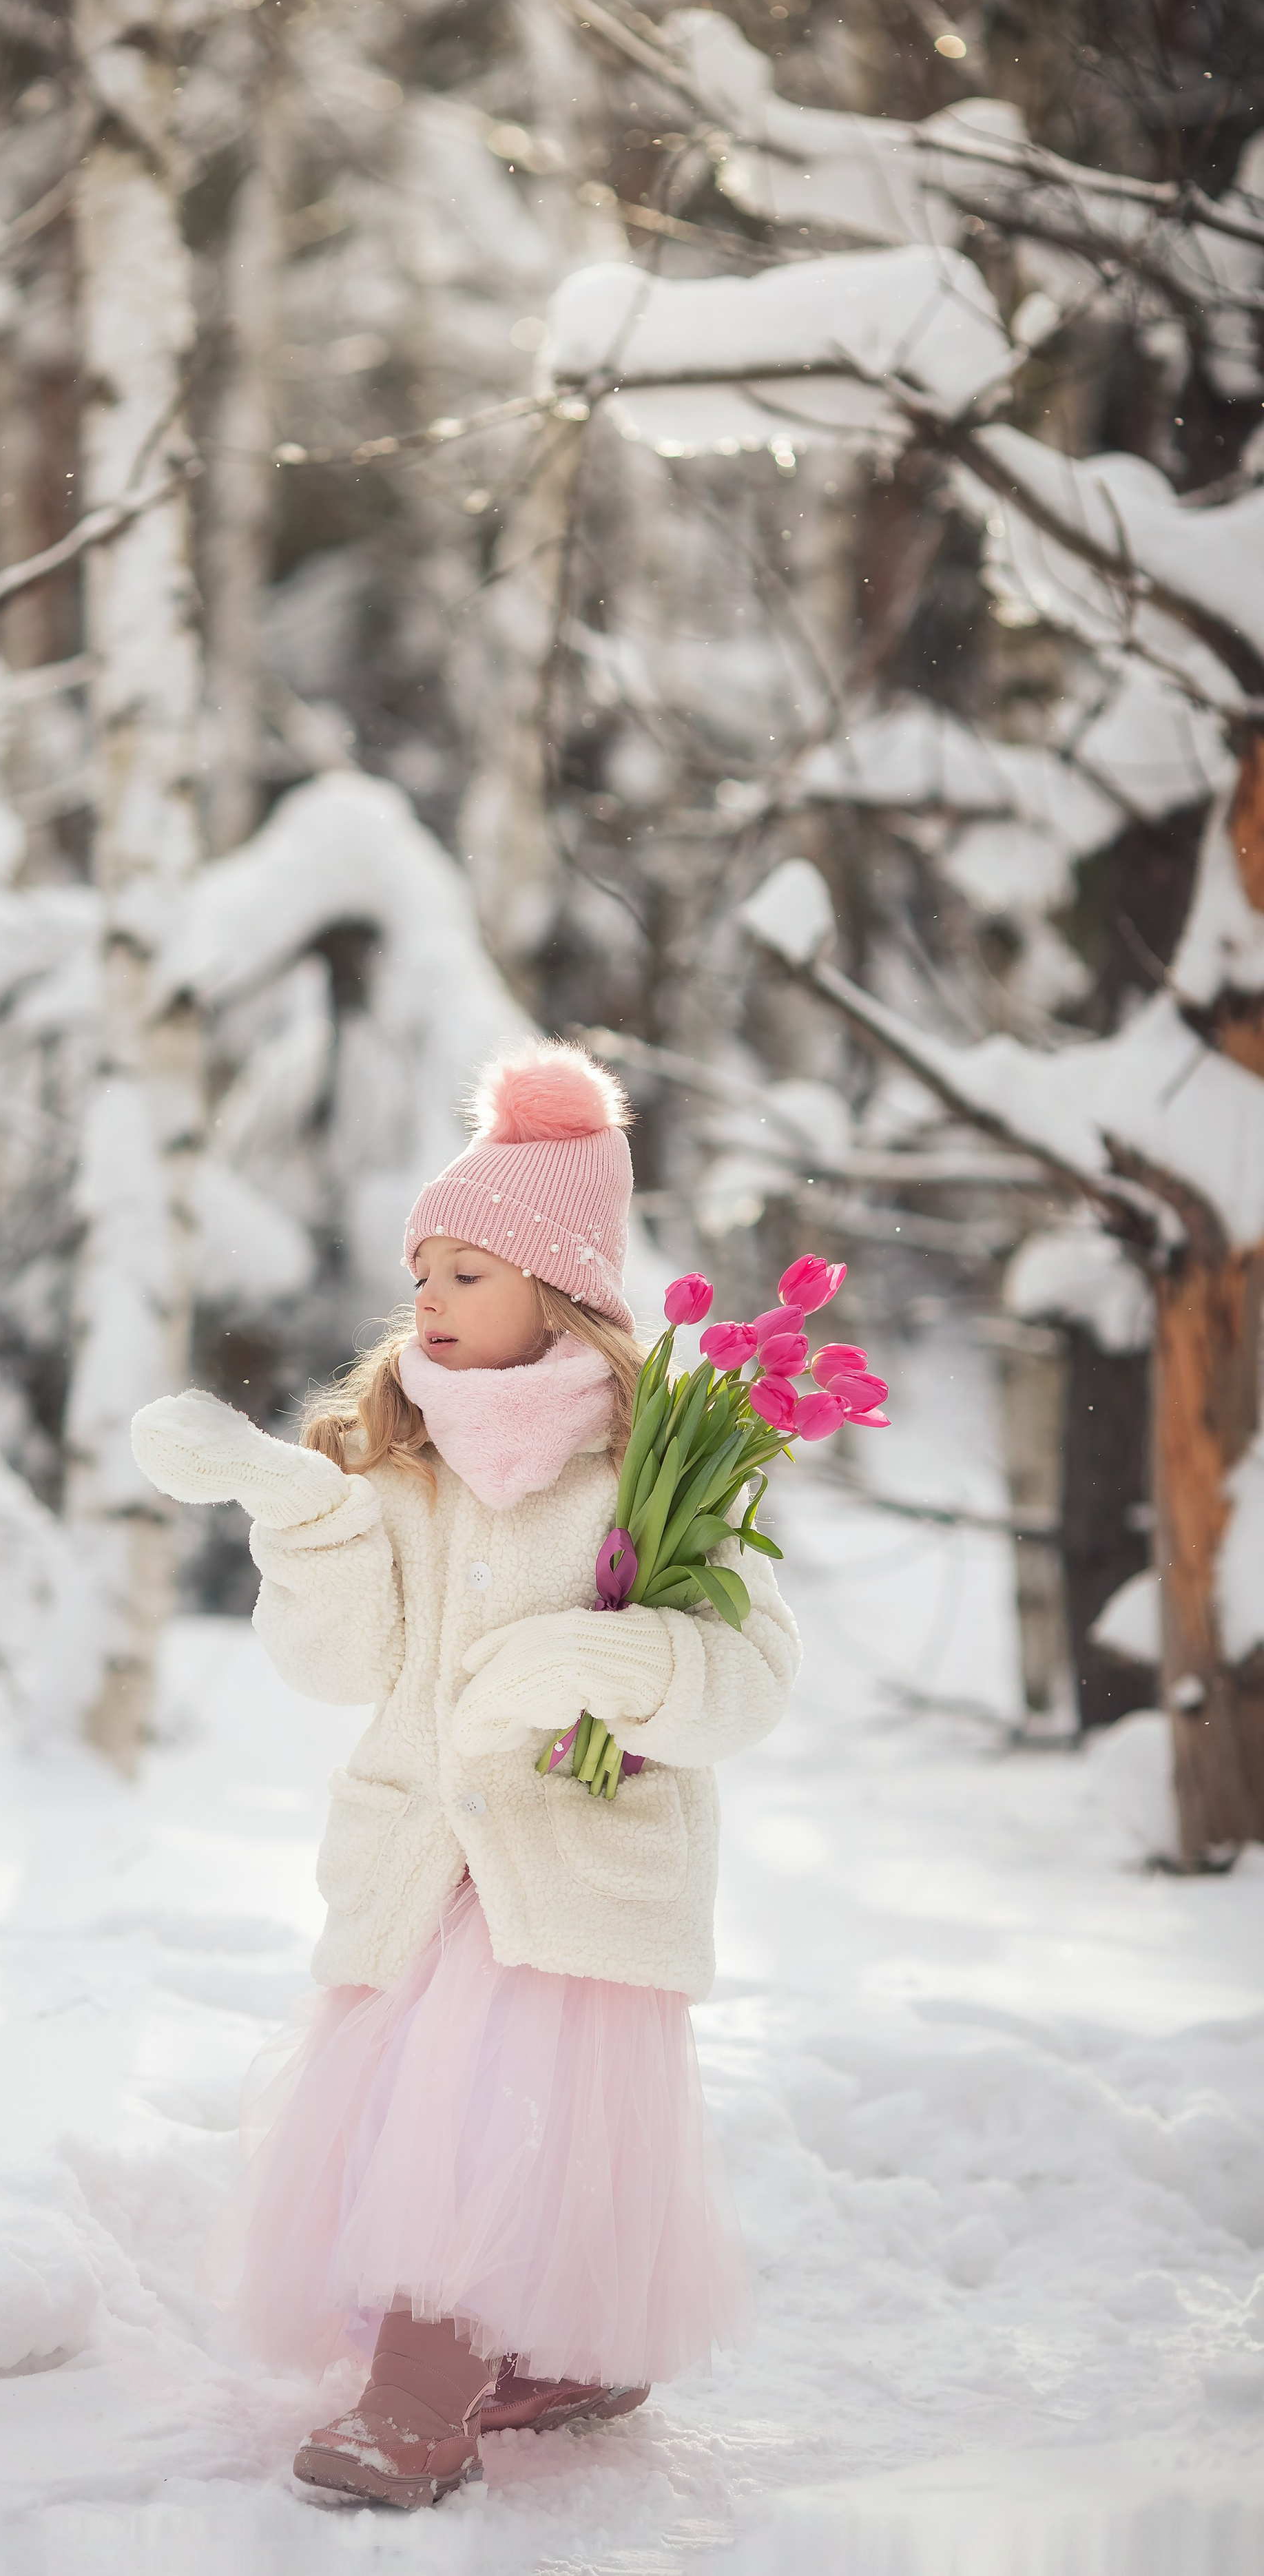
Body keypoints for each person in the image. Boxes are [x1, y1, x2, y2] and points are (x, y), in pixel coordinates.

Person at [130, 1039, 800, 2509]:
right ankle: (543, 2348)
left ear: (559, 1290)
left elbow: (746, 1677)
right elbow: (334, 1665)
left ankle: (419, 2399)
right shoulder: (401, 1465)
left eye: (463, 1273)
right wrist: (302, 1517)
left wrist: (601, 1668)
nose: (422, 1300)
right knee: (416, 2126)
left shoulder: (648, 1466)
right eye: (417, 1271)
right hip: (422, 1869)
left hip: (571, 1875)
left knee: (484, 2118)